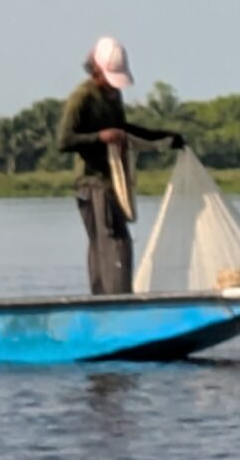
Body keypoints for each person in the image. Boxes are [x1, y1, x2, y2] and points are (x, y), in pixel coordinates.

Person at [56, 37, 185, 296]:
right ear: (97, 71)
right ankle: (115, 301)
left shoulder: (113, 97)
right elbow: (65, 140)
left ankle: (107, 300)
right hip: (92, 183)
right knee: (113, 243)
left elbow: (124, 129)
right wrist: (100, 137)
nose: (113, 86)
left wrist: (164, 137)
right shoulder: (82, 98)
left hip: (112, 181)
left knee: (108, 242)